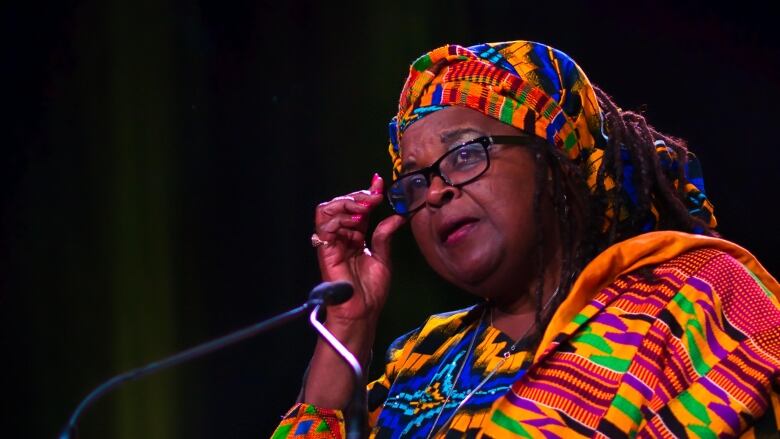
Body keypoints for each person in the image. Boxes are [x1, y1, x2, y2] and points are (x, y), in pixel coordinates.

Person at [272, 40, 780, 438]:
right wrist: (347, 326)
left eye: (466, 154)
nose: (436, 193)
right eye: (416, 179)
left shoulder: (694, 300)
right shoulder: (420, 363)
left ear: (555, 161)